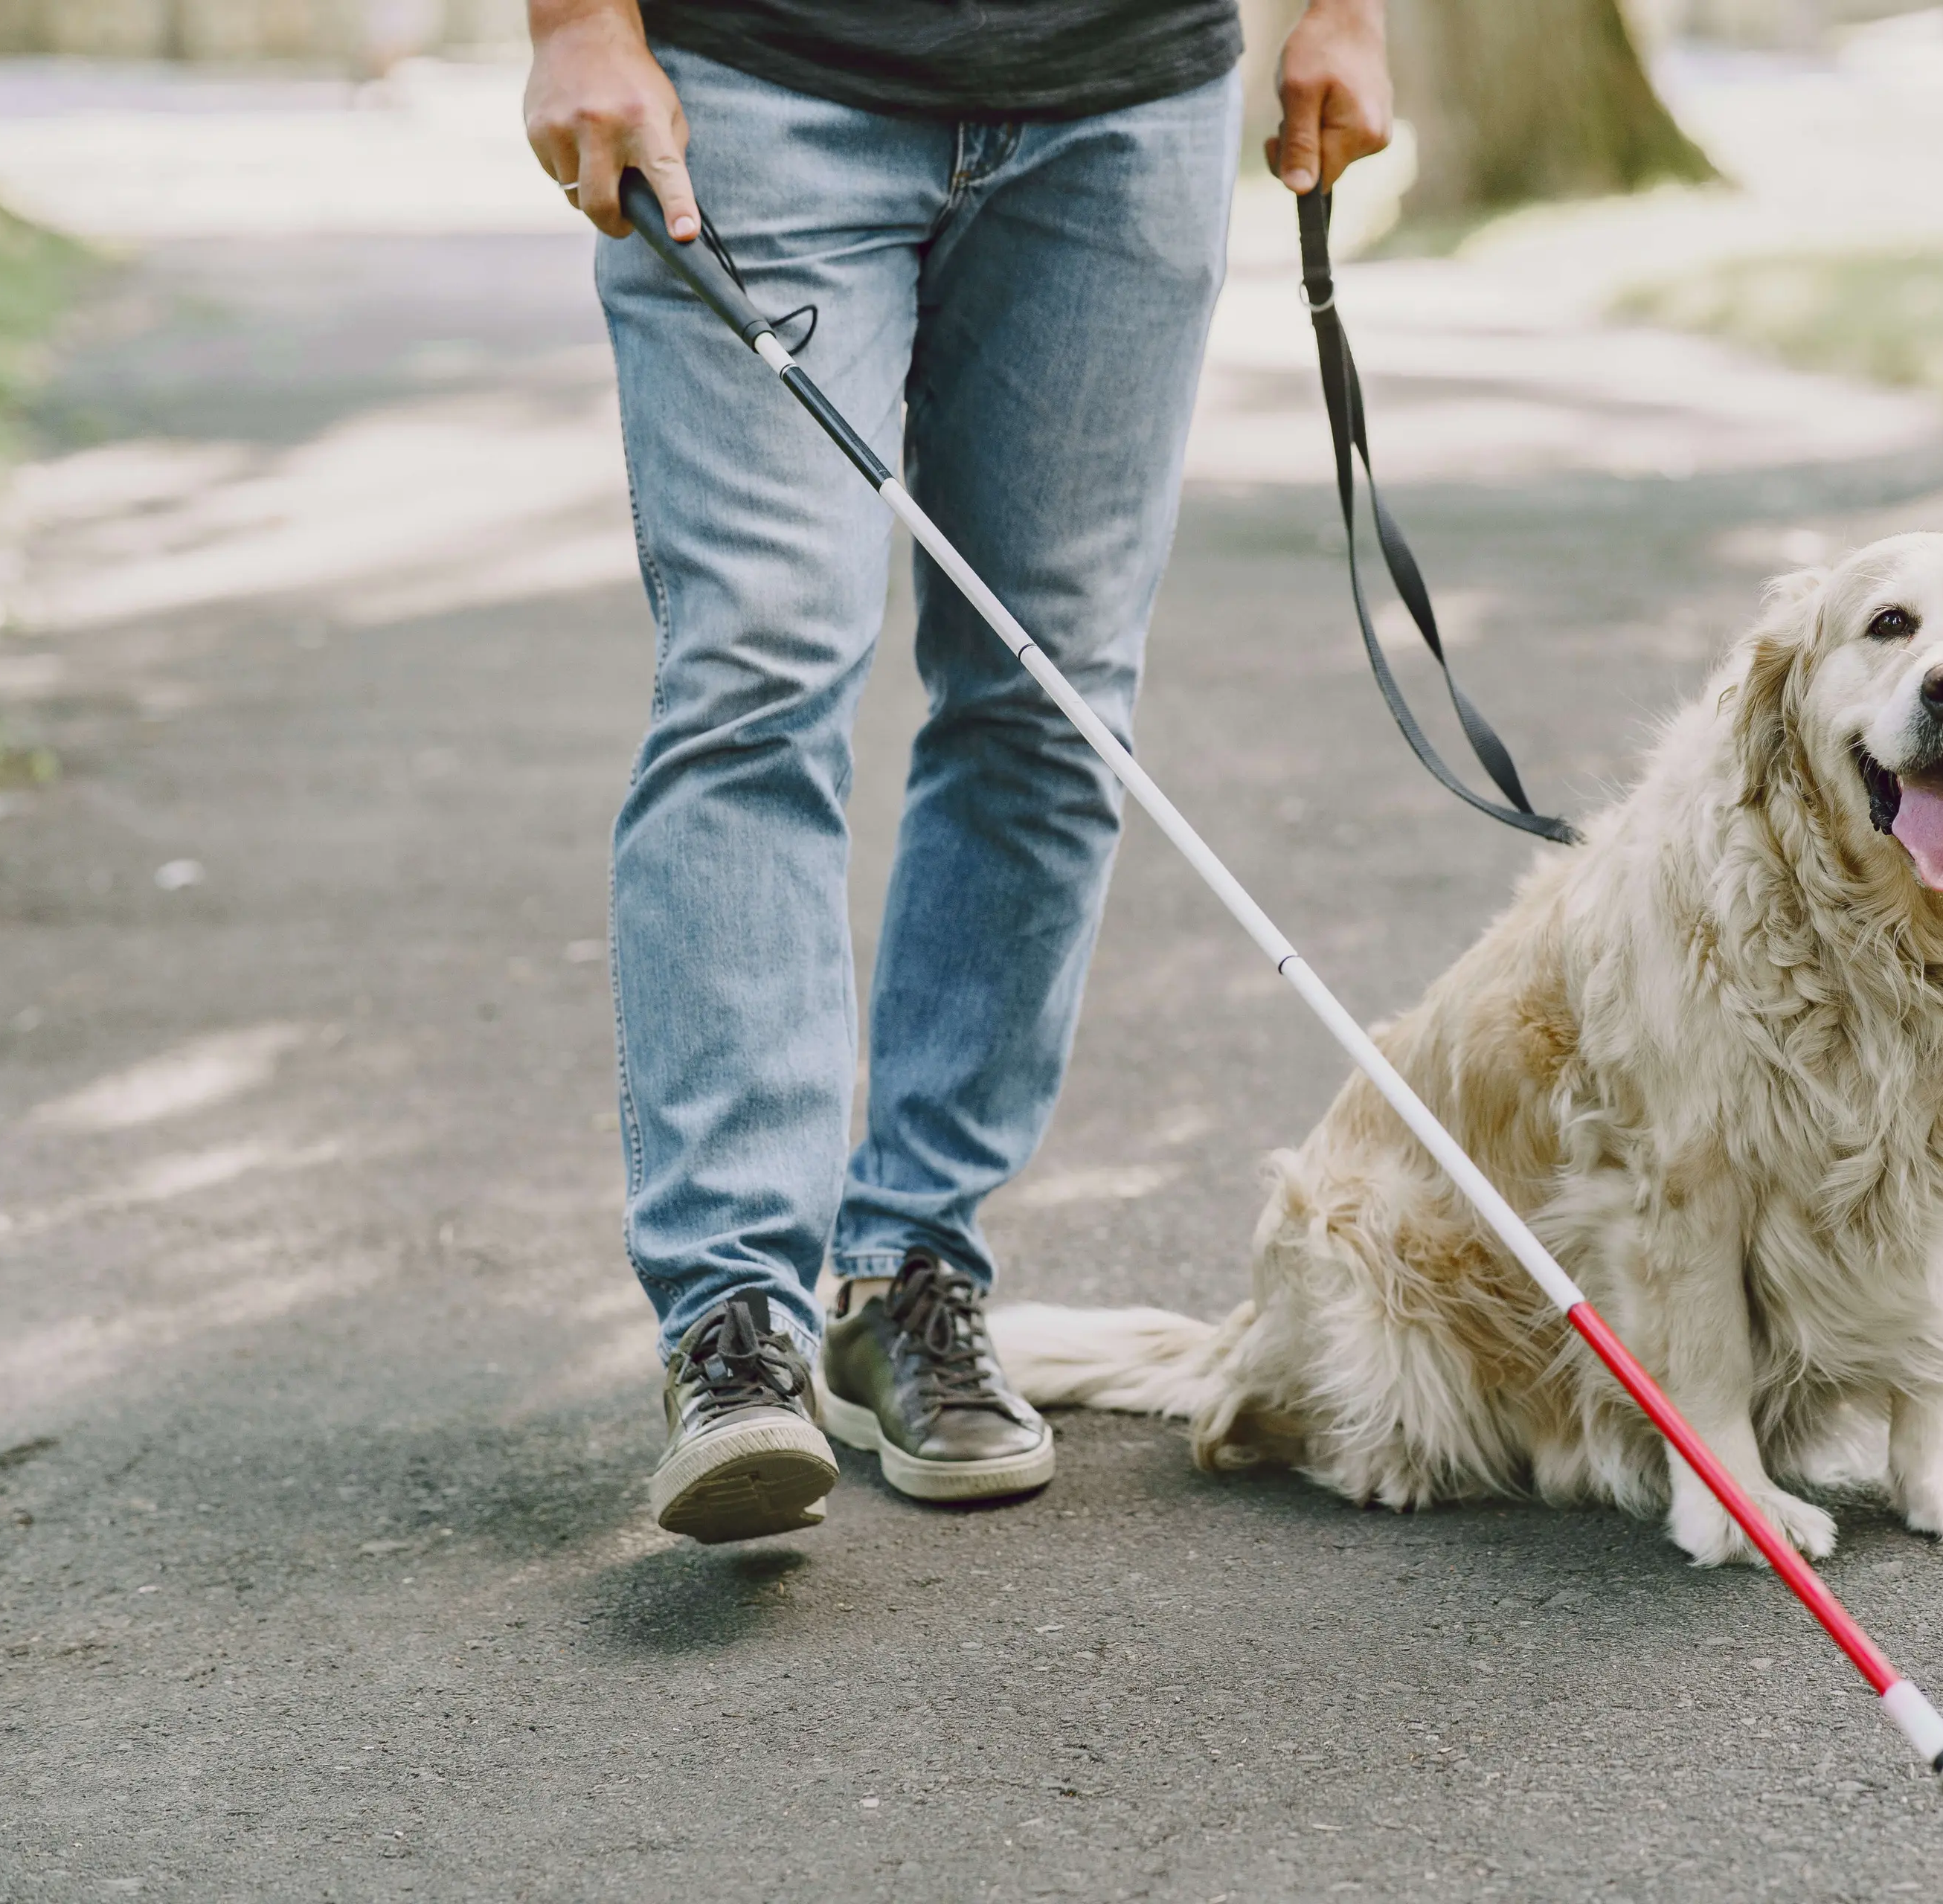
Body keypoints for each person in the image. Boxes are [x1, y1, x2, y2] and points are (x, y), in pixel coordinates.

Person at [522, 0, 1390, 1542]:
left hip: (1124, 101)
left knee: (1052, 699)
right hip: (764, 84)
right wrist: (582, 25)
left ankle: (909, 1268)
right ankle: (736, 1327)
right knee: (756, 668)